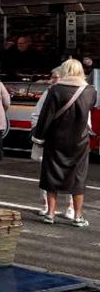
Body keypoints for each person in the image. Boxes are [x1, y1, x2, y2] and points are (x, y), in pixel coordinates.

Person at [33, 58, 96, 227]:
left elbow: (46, 116)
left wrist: (38, 137)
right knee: (77, 178)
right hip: (80, 142)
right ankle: (77, 216)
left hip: (56, 140)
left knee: (52, 175)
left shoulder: (55, 90)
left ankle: (51, 214)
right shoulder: (90, 91)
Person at [31, 67, 75, 219]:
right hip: (49, 140)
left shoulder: (75, 92)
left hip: (69, 141)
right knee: (47, 174)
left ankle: (70, 207)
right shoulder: (48, 92)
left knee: (69, 174)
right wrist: (38, 134)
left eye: (56, 77)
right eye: (53, 77)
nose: (53, 79)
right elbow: (36, 114)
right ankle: (46, 206)